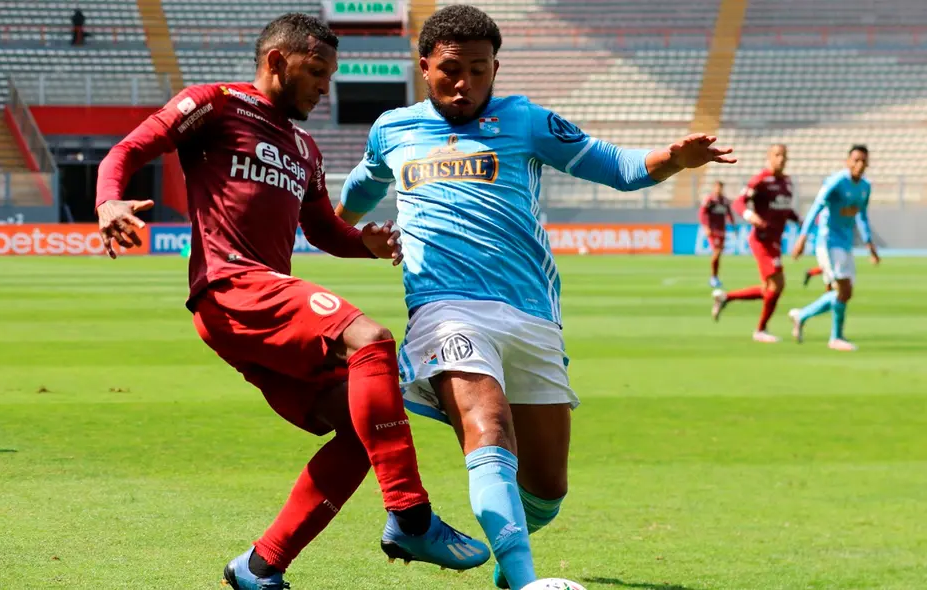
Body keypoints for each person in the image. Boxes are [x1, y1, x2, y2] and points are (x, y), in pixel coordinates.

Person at [333, 6, 735, 589]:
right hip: (444, 305)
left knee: (546, 490)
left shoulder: (525, 120)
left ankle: (506, 560)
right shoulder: (392, 128)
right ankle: (524, 581)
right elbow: (356, 191)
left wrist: (675, 158)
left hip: (530, 315)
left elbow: (618, 167)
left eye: (479, 69)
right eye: (451, 70)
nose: (465, 82)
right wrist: (346, 234)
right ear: (424, 66)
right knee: (488, 426)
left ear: (496, 66)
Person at [93, 13, 489, 590]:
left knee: (360, 430)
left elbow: (323, 229)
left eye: (330, 75)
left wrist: (366, 246)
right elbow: (126, 151)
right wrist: (109, 203)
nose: (326, 86)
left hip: (260, 307)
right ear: (278, 61)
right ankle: (411, 516)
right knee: (370, 338)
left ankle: (260, 566)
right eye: (317, 71)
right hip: (232, 286)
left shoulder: (304, 146)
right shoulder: (216, 103)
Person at [789, 145, 880, 351]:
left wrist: (869, 244)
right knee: (844, 289)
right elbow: (816, 207)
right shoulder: (837, 182)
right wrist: (803, 237)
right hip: (828, 241)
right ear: (847, 162)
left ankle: (801, 316)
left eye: (863, 161)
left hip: (846, 243)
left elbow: (862, 216)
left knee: (845, 293)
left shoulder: (865, 186)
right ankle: (835, 337)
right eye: (855, 160)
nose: (859, 164)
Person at [712, 144, 798, 343]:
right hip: (762, 240)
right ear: (768, 158)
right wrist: (751, 216)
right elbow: (738, 203)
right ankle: (760, 330)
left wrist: (798, 218)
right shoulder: (761, 180)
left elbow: (784, 209)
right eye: (777, 155)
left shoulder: (787, 182)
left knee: (767, 288)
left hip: (775, 239)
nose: (781, 159)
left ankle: (725, 298)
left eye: (784, 155)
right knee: (777, 285)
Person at [698, 180, 735, 288]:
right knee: (717, 252)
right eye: (717, 187)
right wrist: (706, 227)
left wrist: (733, 225)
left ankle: (715, 277)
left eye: (721, 187)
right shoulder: (710, 200)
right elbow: (702, 213)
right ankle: (713, 277)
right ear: (714, 188)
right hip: (712, 230)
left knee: (718, 254)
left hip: (722, 230)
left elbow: (729, 213)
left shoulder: (724, 201)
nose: (719, 189)